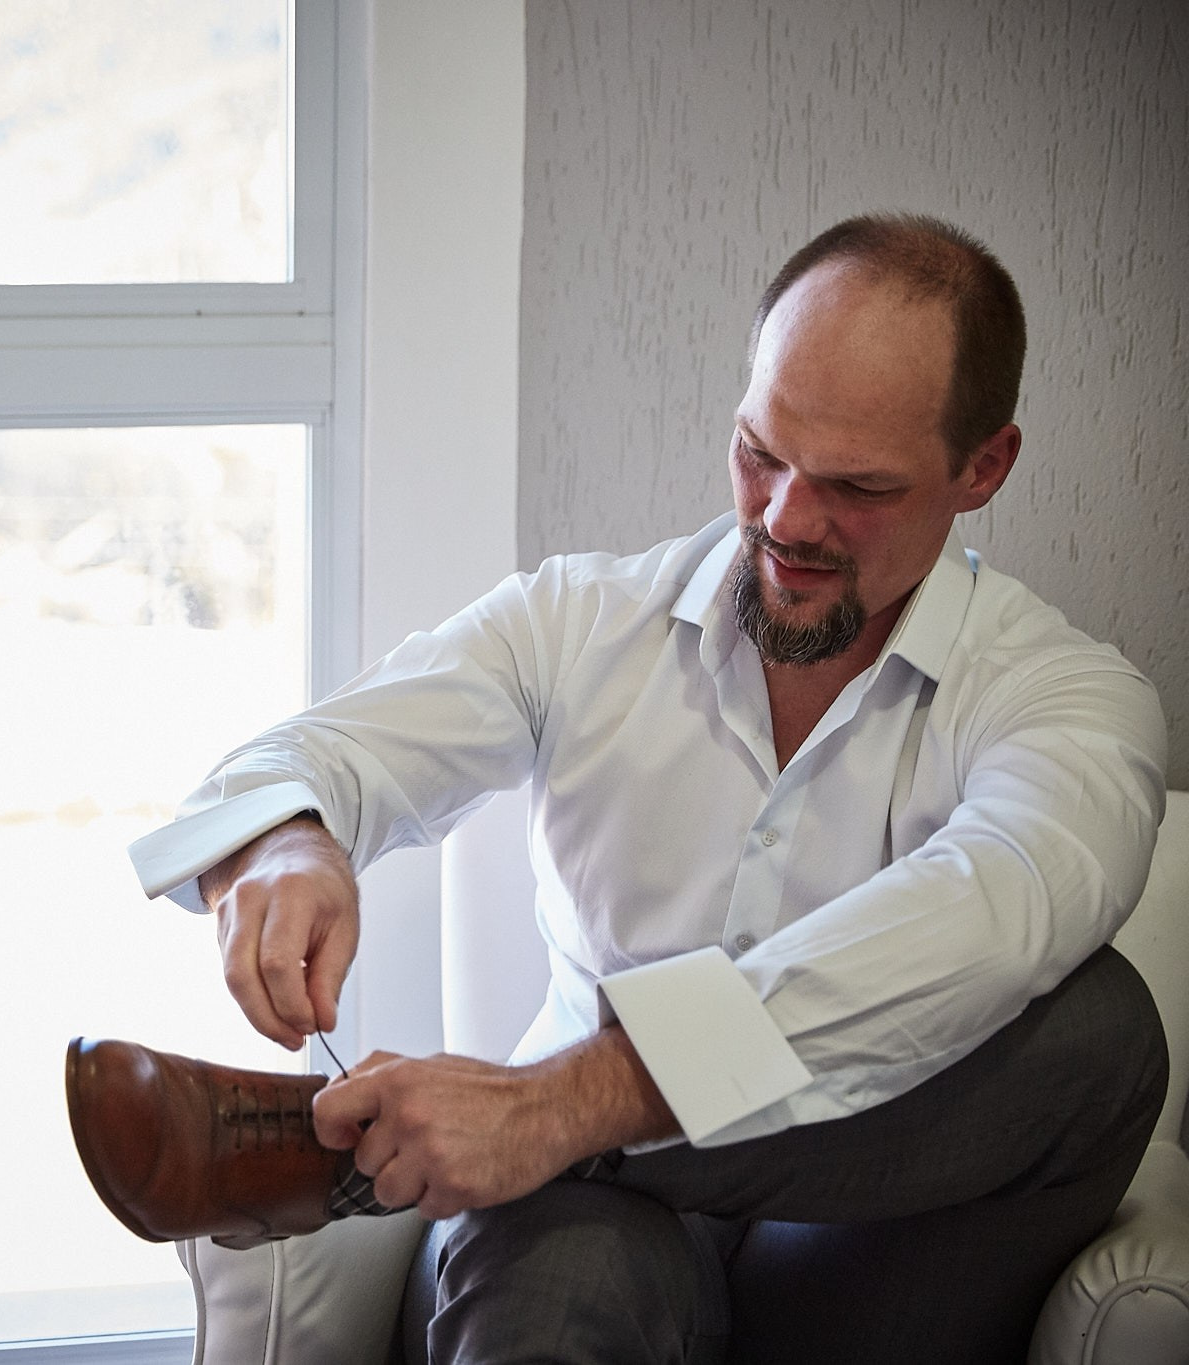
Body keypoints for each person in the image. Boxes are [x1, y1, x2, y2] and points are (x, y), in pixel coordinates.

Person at [127, 213, 1169, 1363]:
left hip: (865, 1249)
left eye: (855, 486)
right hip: (574, 1229)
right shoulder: (578, 622)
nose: (783, 521)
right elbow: (300, 759)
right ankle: (530, 1158)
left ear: (982, 468)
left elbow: (991, 912)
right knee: (559, 1260)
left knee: (1101, 1035)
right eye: (760, 454)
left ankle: (398, 1158)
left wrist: (562, 1106)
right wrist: (289, 841)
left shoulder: (1067, 701)